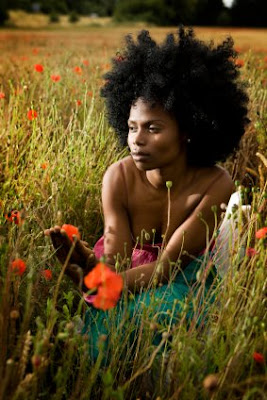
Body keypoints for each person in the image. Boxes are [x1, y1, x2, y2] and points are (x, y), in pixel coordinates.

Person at [45, 27, 249, 361]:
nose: (137, 139)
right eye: (132, 127)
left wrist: (98, 285)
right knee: (103, 338)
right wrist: (90, 271)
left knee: (155, 317)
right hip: (126, 279)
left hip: (185, 279)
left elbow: (168, 270)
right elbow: (117, 261)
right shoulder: (118, 178)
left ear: (188, 131)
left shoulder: (216, 184)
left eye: (153, 128)